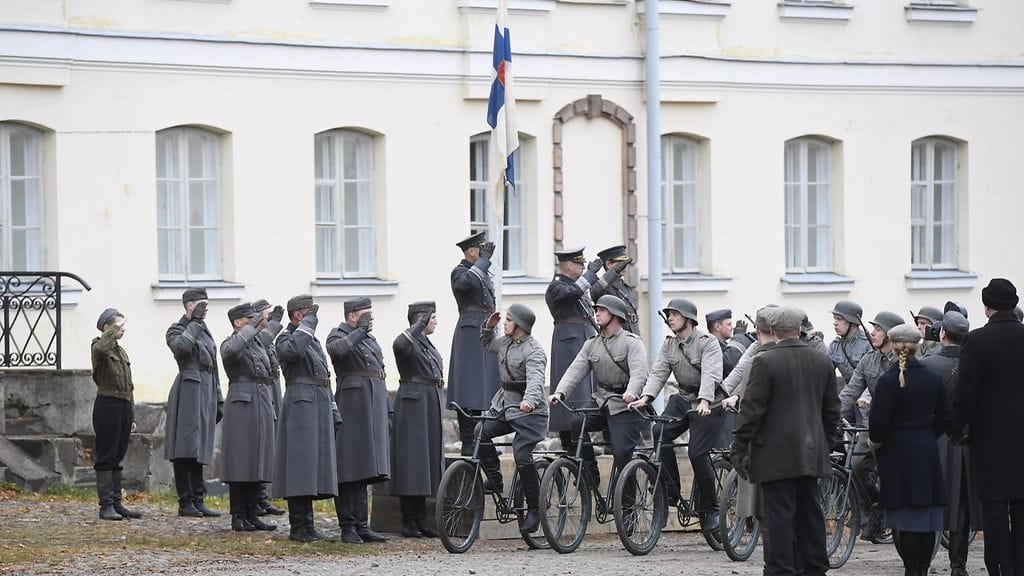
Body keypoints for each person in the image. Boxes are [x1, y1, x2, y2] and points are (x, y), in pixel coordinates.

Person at [730, 306, 840, 576]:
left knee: (779, 515)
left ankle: (781, 568)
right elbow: (832, 412)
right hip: (811, 451)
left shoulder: (764, 361)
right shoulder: (821, 361)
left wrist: (739, 447)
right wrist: (824, 443)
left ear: (773, 331)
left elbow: (751, 411)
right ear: (800, 330)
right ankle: (814, 566)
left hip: (774, 455)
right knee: (810, 512)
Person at [631, 298, 725, 534]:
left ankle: (711, 508)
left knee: (696, 452)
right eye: (669, 314)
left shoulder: (708, 343)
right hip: (683, 399)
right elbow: (659, 371)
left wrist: (704, 399)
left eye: (675, 314)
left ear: (688, 319)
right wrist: (646, 397)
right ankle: (670, 490)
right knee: (658, 431)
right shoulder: (669, 345)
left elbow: (711, 374)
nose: (670, 318)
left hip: (710, 403)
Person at [869, 324, 953, 576]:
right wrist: (926, 434)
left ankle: (911, 570)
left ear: (893, 347)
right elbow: (946, 419)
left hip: (897, 453)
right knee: (926, 517)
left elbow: (877, 425)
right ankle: (923, 570)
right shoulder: (932, 380)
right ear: (918, 347)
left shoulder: (887, 381)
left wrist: (882, 443)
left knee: (903, 519)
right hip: (925, 451)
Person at [954, 278, 1024, 576]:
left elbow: (965, 390)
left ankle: (1000, 568)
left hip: (989, 438)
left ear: (987, 307)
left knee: (994, 509)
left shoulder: (976, 341)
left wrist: (957, 427)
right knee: (1022, 507)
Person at [549, 295, 648, 502]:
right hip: (601, 399)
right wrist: (560, 392)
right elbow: (575, 370)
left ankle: (628, 507)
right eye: (597, 310)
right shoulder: (592, 344)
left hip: (624, 405)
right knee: (577, 422)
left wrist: (631, 391)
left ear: (615, 315)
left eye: (602, 310)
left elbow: (640, 373)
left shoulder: (632, 343)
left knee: (622, 455)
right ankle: (590, 471)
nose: (597, 313)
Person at [273, 294, 340, 543]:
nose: (313, 317)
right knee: (299, 467)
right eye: (307, 312)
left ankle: (308, 525)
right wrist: (308, 325)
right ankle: (298, 526)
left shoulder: (312, 339)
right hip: (300, 404)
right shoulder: (286, 338)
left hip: (318, 403)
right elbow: (293, 351)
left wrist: (333, 407)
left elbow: (325, 374)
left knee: (312, 468)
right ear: (297, 315)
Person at [478, 303, 549, 534]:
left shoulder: (534, 351)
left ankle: (535, 509)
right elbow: (488, 344)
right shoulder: (506, 342)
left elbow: (537, 380)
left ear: (520, 325)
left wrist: (529, 401)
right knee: (481, 432)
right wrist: (488, 328)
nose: (505, 323)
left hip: (531, 411)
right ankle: (495, 479)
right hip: (506, 405)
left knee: (521, 454)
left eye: (508, 320)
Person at [327, 298, 391, 544]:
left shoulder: (369, 339)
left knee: (364, 467)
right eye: (365, 315)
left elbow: (380, 372)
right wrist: (359, 331)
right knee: (348, 467)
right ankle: (347, 525)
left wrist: (387, 409)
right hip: (351, 405)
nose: (370, 320)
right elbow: (337, 352)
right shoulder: (338, 335)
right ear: (352, 316)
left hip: (371, 405)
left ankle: (362, 524)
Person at [839, 309, 906, 543]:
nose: (873, 333)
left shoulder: (903, 361)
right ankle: (876, 506)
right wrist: (830, 413)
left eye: (878, 329)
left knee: (891, 474)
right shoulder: (869, 359)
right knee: (856, 466)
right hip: (871, 425)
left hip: (897, 429)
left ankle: (894, 519)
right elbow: (850, 391)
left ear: (890, 334)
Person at [921, 311, 979, 576]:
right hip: (968, 440)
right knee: (962, 506)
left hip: (936, 439)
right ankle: (959, 565)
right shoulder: (976, 362)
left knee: (928, 501)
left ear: (942, 333)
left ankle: (921, 561)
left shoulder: (928, 364)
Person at [163, 288, 223, 518]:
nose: (204, 310)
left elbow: (213, 365)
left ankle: (199, 498)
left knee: (200, 446)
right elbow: (181, 348)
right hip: (189, 387)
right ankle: (185, 500)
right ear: (189, 305)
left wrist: (219, 398)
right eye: (200, 305)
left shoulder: (205, 331)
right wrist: (195, 322)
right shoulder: (177, 328)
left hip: (206, 388)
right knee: (185, 447)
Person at [219, 303, 277, 532]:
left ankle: (253, 513)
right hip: (242, 404)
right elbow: (231, 351)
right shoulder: (231, 342)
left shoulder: (255, 344)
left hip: (261, 400)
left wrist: (272, 323)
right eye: (249, 319)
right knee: (241, 461)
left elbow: (268, 342)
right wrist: (251, 326)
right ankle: (239, 515)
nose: (254, 323)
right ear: (238, 323)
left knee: (258, 458)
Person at [391, 301, 444, 539]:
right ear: (421, 319)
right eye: (432, 318)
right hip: (413, 403)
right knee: (412, 460)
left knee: (425, 461)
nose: (435, 321)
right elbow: (400, 344)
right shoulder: (408, 341)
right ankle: (409, 520)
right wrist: (419, 324)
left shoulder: (426, 344)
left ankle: (421, 519)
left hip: (428, 403)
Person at [449, 232, 500, 456]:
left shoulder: (482, 272)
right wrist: (482, 262)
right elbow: (466, 283)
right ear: (471, 251)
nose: (483, 254)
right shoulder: (459, 272)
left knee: (485, 386)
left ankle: (484, 439)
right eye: (480, 250)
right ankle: (469, 440)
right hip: (470, 331)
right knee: (468, 386)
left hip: (486, 329)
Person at [545, 247, 599, 454]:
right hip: (569, 343)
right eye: (580, 264)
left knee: (585, 393)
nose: (583, 267)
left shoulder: (574, 286)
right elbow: (573, 292)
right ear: (569, 265)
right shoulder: (557, 287)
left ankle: (581, 439)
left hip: (582, 339)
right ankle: (571, 441)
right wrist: (591, 274)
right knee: (572, 392)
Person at [91, 308, 140, 521]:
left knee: (118, 456)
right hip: (107, 406)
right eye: (119, 326)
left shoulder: (121, 352)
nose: (124, 329)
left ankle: (117, 504)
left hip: (122, 407)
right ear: (107, 327)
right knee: (107, 456)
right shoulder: (99, 345)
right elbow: (102, 349)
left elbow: (129, 386)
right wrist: (111, 331)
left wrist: (133, 415)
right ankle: (106, 506)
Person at [252, 299, 286, 516]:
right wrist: (273, 326)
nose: (270, 318)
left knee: (271, 441)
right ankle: (256, 497)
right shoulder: (257, 337)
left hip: (273, 385)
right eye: (267, 315)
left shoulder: (269, 339)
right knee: (261, 443)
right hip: (262, 387)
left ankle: (263, 496)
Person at [828, 300, 872, 420]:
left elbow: (876, 375)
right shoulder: (835, 345)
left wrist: (866, 398)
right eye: (834, 318)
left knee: (864, 436)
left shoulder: (868, 344)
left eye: (839, 319)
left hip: (866, 401)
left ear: (852, 322)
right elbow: (824, 372)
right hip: (847, 397)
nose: (835, 323)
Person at [588, 245, 638, 334]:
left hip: (632, 335)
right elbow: (594, 292)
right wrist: (615, 270)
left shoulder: (626, 287)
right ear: (608, 264)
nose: (624, 266)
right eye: (620, 263)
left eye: (624, 263)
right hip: (614, 337)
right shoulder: (603, 286)